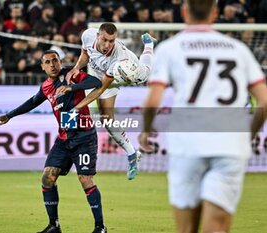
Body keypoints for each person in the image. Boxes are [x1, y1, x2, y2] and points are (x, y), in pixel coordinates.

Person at [139, 0, 267, 233]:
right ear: (215, 13)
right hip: (229, 143)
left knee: (186, 229)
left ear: (184, 11)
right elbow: (265, 101)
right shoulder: (238, 50)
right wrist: (249, 135)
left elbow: (152, 101)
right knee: (216, 228)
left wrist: (146, 130)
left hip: (188, 143)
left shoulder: (170, 48)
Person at [0, 50, 107, 233]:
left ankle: (100, 227)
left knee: (85, 179)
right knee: (47, 177)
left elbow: (96, 82)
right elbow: (32, 102)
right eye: (47, 62)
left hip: (84, 137)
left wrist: (72, 87)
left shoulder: (71, 75)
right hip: (64, 139)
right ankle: (54, 226)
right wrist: (9, 115)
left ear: (60, 62)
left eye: (55, 60)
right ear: (42, 66)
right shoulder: (46, 86)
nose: (52, 65)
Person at [64, 22, 157, 180]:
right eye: (105, 40)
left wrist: (77, 108)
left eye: (112, 41)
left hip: (127, 72)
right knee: (106, 119)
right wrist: (77, 67)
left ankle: (148, 44)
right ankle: (132, 153)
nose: (108, 45)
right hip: (105, 75)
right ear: (98, 36)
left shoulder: (117, 57)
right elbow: (85, 53)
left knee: (147, 71)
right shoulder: (87, 35)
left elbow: (100, 89)